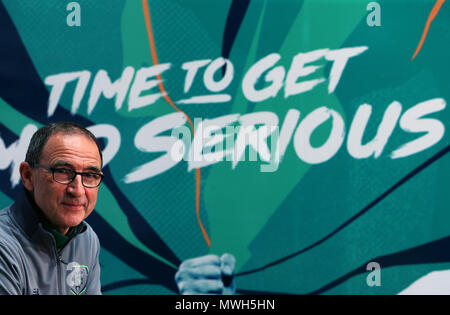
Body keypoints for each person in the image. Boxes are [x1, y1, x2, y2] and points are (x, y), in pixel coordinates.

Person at [0, 122, 235, 295]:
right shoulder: (4, 245)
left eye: (90, 175)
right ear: (28, 176)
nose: (78, 190)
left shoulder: (85, 238)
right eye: (63, 171)